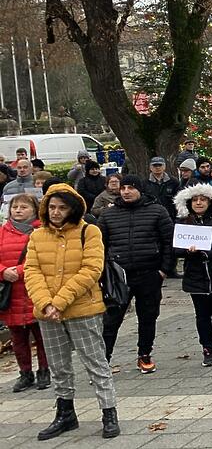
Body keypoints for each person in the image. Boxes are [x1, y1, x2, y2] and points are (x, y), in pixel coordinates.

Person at [24, 184, 120, 440]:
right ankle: (66, 414)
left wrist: (61, 301)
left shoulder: (89, 232)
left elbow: (91, 270)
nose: (56, 212)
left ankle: (109, 412)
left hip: (83, 309)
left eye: (62, 207)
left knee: (96, 363)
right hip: (48, 313)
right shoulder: (37, 236)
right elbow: (31, 271)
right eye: (52, 207)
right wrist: (46, 303)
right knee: (59, 366)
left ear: (73, 208)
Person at [96, 174, 174, 371]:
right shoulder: (108, 215)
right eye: (123, 188)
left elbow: (168, 242)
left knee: (147, 317)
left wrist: (164, 270)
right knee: (111, 320)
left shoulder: (157, 211)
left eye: (131, 188)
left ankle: (144, 354)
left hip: (149, 273)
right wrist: (103, 272)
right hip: (118, 275)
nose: (126, 192)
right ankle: (103, 361)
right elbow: (99, 246)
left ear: (140, 189)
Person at [172, 183, 212, 366]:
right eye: (195, 200)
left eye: (203, 199)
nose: (199, 203)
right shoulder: (183, 222)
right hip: (195, 275)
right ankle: (207, 348)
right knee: (202, 315)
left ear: (211, 201)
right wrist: (188, 251)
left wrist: (210, 250)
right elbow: (175, 248)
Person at [0, 193, 50, 392]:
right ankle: (25, 373)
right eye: (15, 207)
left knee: (41, 337)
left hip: (34, 291)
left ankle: (44, 371)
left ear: (34, 210)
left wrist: (18, 272)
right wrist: (3, 271)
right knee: (18, 339)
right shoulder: (2, 232)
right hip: (11, 295)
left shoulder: (41, 231)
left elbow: (44, 257)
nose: (18, 210)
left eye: (23, 207)